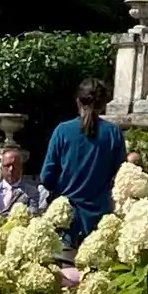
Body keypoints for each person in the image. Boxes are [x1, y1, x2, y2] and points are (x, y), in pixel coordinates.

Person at [40, 78, 126, 245]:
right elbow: (121, 177)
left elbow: (46, 177)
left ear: (77, 101)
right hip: (100, 222)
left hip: (66, 221)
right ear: (103, 104)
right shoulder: (113, 133)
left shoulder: (62, 131)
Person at [0, 145, 47, 223]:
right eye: (7, 166)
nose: (11, 169)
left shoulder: (32, 192)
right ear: (1, 169)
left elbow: (32, 218)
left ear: (21, 168)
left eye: (15, 165)